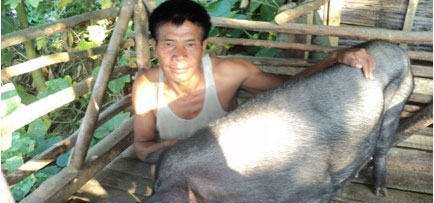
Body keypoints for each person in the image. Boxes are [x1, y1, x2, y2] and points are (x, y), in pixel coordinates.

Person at [132, 0, 375, 161]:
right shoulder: (146, 87)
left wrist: (333, 59)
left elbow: (288, 87)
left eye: (190, 44)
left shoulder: (229, 73)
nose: (180, 56)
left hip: (228, 163)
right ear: (154, 47)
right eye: (169, 44)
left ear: (204, 46)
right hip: (177, 164)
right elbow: (143, 147)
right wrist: (178, 147)